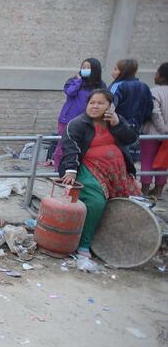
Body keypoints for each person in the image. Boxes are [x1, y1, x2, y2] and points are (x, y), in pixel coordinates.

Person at [59, 89, 140, 257]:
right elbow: (70, 148)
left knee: (131, 202)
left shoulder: (115, 120)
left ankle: (119, 242)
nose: (95, 106)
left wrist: (118, 123)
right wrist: (71, 171)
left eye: (100, 103)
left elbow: (131, 138)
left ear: (110, 106)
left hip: (116, 172)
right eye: (92, 103)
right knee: (96, 202)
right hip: (88, 168)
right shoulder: (78, 124)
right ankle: (84, 244)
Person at [51, 58, 107, 170]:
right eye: (83, 67)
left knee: (83, 145)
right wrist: (78, 81)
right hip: (68, 119)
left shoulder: (100, 85)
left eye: (88, 67)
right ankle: (59, 169)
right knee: (63, 144)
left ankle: (77, 169)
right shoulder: (73, 81)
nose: (85, 69)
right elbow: (70, 92)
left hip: (88, 119)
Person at [140, 62, 168, 197]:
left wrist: (163, 130)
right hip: (166, 136)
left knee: (147, 161)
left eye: (157, 73)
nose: (155, 75)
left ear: (162, 76)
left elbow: (155, 112)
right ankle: (158, 190)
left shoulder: (154, 92)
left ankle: (144, 190)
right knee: (163, 162)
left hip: (151, 134)